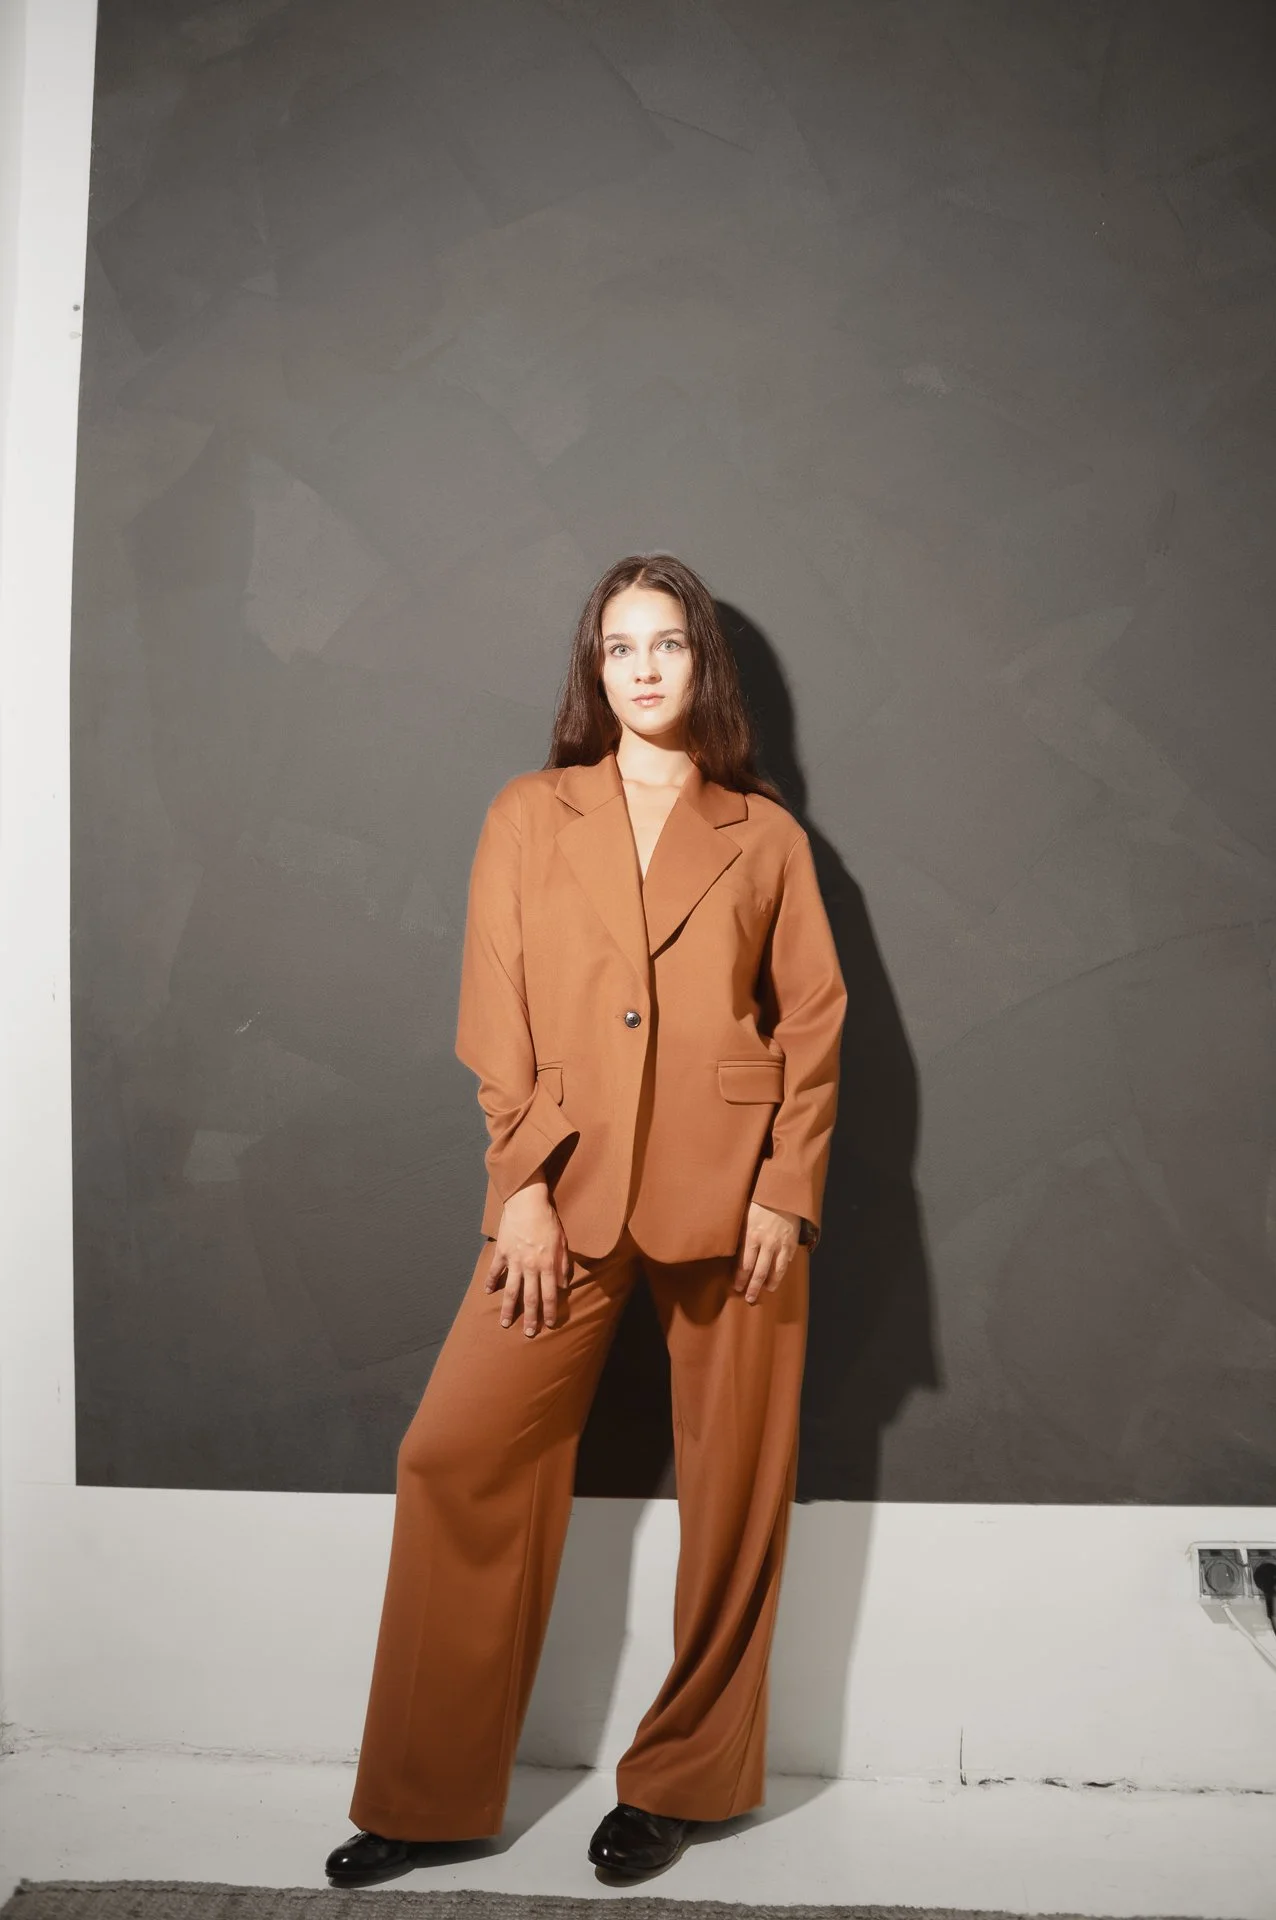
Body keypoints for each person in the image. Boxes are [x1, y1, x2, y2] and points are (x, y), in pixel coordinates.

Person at [325, 553, 847, 1888]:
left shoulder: (766, 836)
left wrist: (786, 1188)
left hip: (738, 1200)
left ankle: (685, 1783)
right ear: (594, 670)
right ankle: (427, 1796)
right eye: (620, 647)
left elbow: (814, 1021)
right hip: (564, 1182)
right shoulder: (528, 813)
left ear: (702, 662)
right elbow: (493, 1012)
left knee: (737, 1497)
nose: (644, 667)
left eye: (667, 642)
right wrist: (521, 1189)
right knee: (456, 1452)